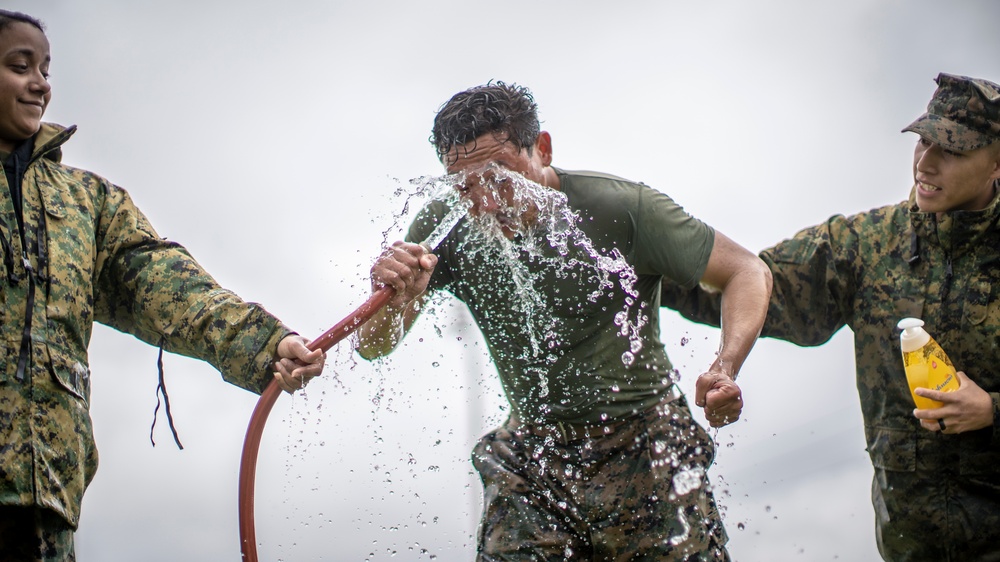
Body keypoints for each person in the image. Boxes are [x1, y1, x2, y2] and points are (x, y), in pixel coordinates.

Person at [357, 81, 772, 561]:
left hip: (644, 440)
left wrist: (726, 366)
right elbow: (374, 345)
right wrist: (393, 299)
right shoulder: (446, 225)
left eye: (501, 175)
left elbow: (745, 270)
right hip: (533, 451)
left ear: (542, 149)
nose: (487, 203)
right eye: (466, 186)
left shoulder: (620, 209)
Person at [0, 10, 326, 560]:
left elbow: (167, 286)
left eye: (46, 70)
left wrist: (265, 343)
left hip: (45, 508)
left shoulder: (88, 204)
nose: (40, 84)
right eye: (19, 66)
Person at [660, 72, 1000, 561]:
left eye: (952, 149)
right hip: (911, 550)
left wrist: (991, 411)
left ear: (996, 162)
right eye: (923, 141)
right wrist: (635, 263)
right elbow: (748, 285)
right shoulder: (866, 247)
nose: (926, 162)